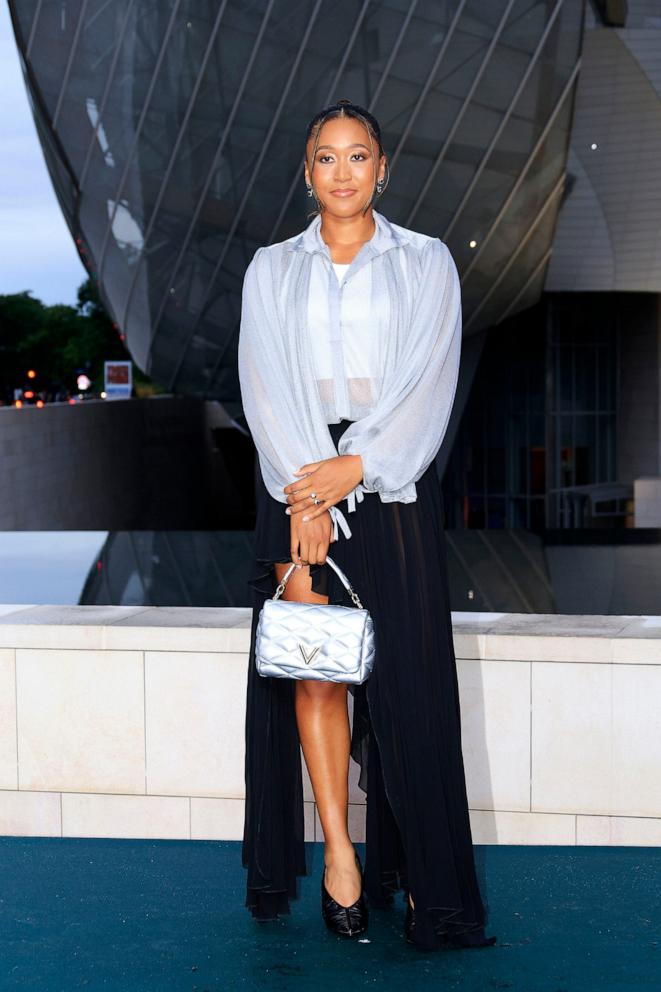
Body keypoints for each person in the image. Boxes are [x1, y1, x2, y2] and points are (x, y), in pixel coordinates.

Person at [238, 98, 497, 953]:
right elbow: (264, 383)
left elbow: (429, 380)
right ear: (305, 172)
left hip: (393, 487)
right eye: (325, 157)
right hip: (295, 483)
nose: (342, 171)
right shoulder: (271, 269)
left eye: (358, 156)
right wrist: (306, 498)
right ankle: (342, 859)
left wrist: (361, 467)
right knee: (317, 674)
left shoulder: (425, 264)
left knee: (408, 690)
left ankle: (428, 877)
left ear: (382, 169)